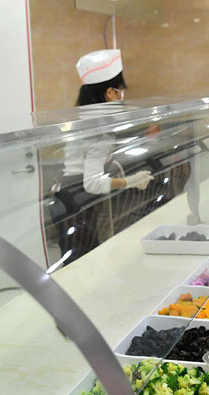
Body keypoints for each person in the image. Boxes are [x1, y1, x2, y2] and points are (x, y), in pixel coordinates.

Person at [52, 50, 153, 263]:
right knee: (81, 259)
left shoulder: (86, 119)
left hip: (68, 195)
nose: (121, 98)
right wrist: (131, 181)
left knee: (78, 256)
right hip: (76, 199)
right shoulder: (100, 132)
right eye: (120, 92)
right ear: (110, 93)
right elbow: (92, 183)